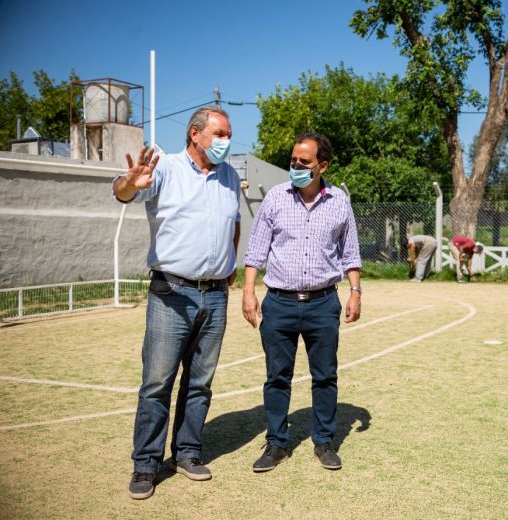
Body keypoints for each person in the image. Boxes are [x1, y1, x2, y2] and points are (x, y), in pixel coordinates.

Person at [113, 107, 241, 500]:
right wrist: (130, 183)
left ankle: (186, 452)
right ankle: (145, 465)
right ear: (195, 134)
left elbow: (233, 223)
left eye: (228, 135)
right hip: (172, 292)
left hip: (216, 294)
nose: (226, 142)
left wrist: (229, 265)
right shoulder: (165, 168)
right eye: (219, 134)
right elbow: (122, 191)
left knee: (200, 382)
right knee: (157, 383)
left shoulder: (230, 176)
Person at [242, 132, 361, 473]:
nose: (295, 165)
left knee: (325, 376)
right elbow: (255, 250)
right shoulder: (276, 198)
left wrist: (355, 292)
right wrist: (249, 292)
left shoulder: (339, 201)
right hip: (278, 303)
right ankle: (276, 443)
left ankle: (324, 441)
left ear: (322, 165)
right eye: (293, 160)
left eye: (304, 162)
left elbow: (350, 253)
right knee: (277, 377)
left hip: (324, 303)